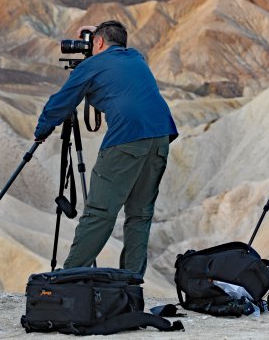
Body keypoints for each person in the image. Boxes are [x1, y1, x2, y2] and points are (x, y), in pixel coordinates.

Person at [34, 20, 178, 276]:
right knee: (140, 215)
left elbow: (61, 103)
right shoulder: (136, 57)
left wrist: (41, 130)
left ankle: (69, 278)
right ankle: (132, 284)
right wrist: (97, 36)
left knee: (99, 214)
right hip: (161, 136)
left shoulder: (92, 65)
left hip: (127, 139)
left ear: (98, 43)